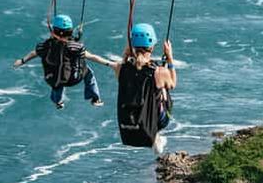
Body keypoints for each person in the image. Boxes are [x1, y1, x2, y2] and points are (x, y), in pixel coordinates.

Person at [13, 14, 109, 109]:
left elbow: (33, 53)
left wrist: (22, 61)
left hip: (54, 79)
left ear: (53, 31)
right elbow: (92, 57)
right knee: (88, 72)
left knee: (56, 79)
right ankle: (95, 99)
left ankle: (58, 102)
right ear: (70, 31)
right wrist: (110, 64)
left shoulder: (44, 46)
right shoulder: (76, 47)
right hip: (74, 78)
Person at [111, 23, 176, 154]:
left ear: (132, 46)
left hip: (128, 126)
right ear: (151, 47)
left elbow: (123, 70)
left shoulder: (120, 68)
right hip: (156, 121)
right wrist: (170, 58)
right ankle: (155, 135)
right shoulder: (158, 71)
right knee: (163, 89)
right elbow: (173, 83)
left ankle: (155, 136)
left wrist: (125, 55)